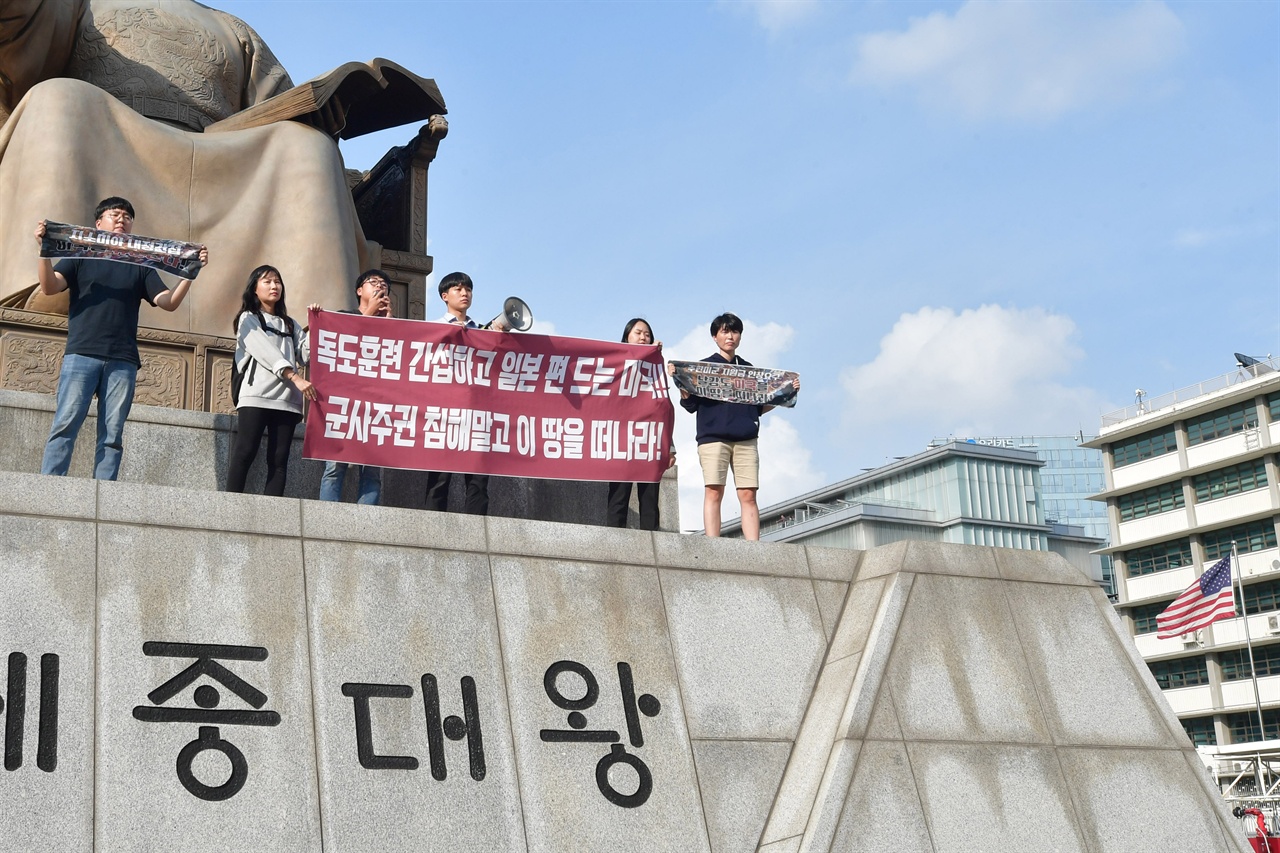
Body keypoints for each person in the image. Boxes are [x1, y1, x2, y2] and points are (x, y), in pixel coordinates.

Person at [34, 196, 208, 479]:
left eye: (127, 216)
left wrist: (190, 274)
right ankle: (49, 485)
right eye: (115, 214)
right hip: (82, 353)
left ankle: (105, 494)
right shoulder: (81, 255)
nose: (121, 220)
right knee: (65, 425)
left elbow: (168, 302)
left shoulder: (141, 264)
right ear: (98, 222)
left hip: (123, 360)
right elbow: (49, 287)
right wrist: (44, 251)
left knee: (112, 434)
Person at [676, 312, 797, 540]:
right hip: (712, 438)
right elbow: (690, 405)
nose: (730, 336)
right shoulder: (703, 368)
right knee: (713, 490)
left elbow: (759, 407)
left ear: (740, 336)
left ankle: (754, 547)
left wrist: (787, 391)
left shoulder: (749, 370)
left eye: (734, 331)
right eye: (724, 331)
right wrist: (681, 383)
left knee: (748, 494)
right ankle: (713, 543)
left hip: (746, 439)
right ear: (715, 336)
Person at [224, 265, 316, 496]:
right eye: (267, 281)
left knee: (279, 460)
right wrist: (294, 377)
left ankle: (272, 512)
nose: (274, 286)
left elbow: (306, 355)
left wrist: (316, 325)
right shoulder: (248, 318)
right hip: (256, 396)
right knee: (245, 451)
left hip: (287, 401)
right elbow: (264, 351)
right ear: (254, 289)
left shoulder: (290, 323)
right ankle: (228, 507)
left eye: (277, 281)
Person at [317, 269, 392, 504]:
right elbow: (345, 343)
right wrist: (370, 313)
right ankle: (326, 518)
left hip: (377, 403)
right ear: (360, 290)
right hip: (344, 401)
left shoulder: (394, 324)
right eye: (373, 282)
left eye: (384, 284)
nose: (380, 286)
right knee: (335, 466)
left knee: (372, 470)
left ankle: (366, 520)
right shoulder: (344, 316)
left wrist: (390, 321)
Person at [423, 271, 493, 515]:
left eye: (468, 289)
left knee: (478, 481)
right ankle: (432, 527)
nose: (465, 293)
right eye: (458, 289)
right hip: (443, 413)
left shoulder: (485, 332)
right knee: (440, 478)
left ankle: (477, 531)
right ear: (444, 296)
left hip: (476, 413)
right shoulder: (432, 329)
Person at [606, 318, 676, 530]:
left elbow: (661, 410)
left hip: (649, 438)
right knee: (618, 495)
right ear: (627, 336)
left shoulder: (655, 372)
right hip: (620, 438)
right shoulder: (614, 366)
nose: (643, 337)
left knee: (650, 499)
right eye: (638, 333)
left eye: (647, 334)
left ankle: (651, 544)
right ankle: (614, 541)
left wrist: (669, 447)